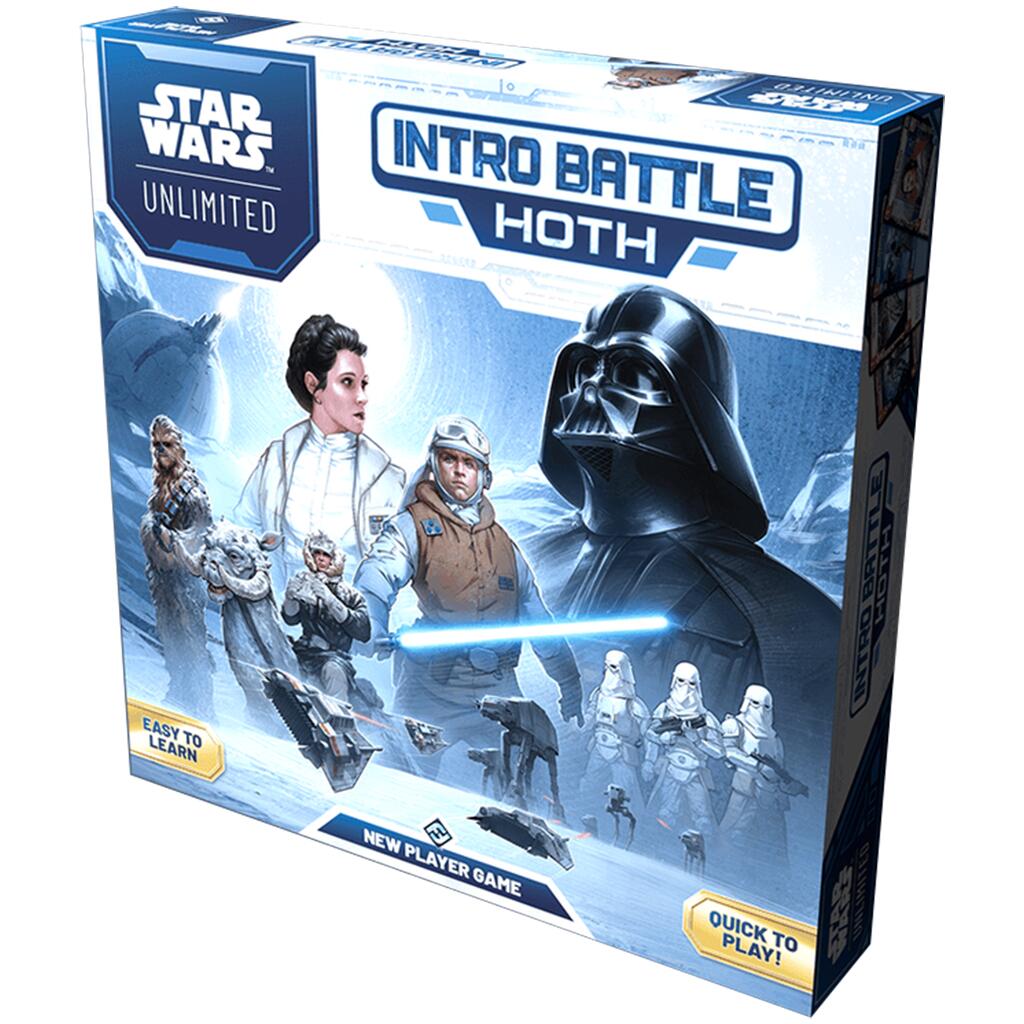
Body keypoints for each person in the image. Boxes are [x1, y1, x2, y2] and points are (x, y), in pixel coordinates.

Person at [354, 415, 583, 757]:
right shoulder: (413, 526)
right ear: (434, 465)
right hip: (429, 690)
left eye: (470, 463)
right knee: (406, 774)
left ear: (484, 476)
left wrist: (568, 680)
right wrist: (371, 623)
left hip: (498, 692)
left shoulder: (504, 546)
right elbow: (378, 573)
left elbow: (537, 617)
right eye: (450, 459)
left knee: (527, 775)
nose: (460, 470)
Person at [235, 314, 405, 593]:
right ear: (314, 385)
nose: (362, 397)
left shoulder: (387, 478)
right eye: (348, 382)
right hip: (280, 613)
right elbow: (243, 532)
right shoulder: (275, 462)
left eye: (363, 384)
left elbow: (403, 570)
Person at [139, 415, 215, 718]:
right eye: (156, 445)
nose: (160, 451)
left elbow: (201, 538)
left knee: (191, 642)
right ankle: (178, 693)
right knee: (169, 635)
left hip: (186, 583)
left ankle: (202, 707)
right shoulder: (160, 487)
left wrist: (168, 541)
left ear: (180, 448)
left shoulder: (192, 493)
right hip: (163, 581)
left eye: (167, 445)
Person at [282, 531, 373, 706]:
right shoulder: (304, 583)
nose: (320, 558)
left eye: (326, 554)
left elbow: (363, 631)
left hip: (333, 656)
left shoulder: (349, 594)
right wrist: (290, 598)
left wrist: (331, 601)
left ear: (334, 558)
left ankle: (339, 716)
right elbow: (291, 620)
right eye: (316, 553)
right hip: (303, 651)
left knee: (333, 672)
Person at [644, 662, 725, 835]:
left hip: (695, 772)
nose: (686, 688)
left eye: (691, 683)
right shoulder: (664, 710)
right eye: (681, 681)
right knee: (666, 813)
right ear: (674, 681)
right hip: (670, 769)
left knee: (702, 818)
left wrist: (698, 742)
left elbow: (719, 752)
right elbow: (650, 733)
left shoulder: (706, 719)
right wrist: (659, 745)